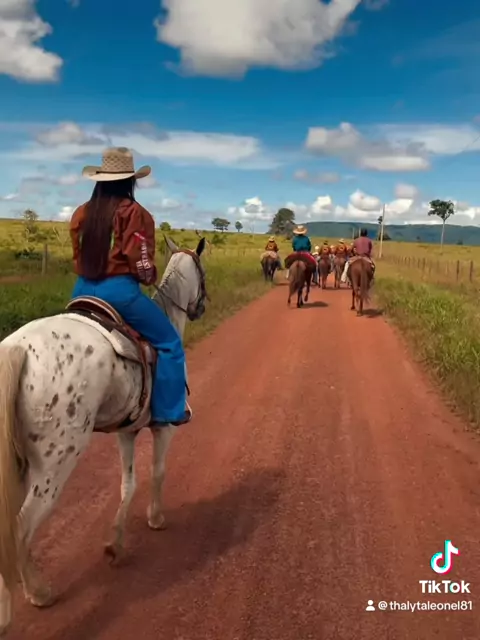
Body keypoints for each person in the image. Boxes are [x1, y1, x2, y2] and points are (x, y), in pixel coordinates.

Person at [69, 147, 192, 426]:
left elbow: (77, 255)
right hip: (119, 293)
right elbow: (140, 259)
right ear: (129, 181)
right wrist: (148, 276)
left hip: (81, 290)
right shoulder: (135, 213)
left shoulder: (81, 213)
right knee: (170, 343)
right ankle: (168, 412)